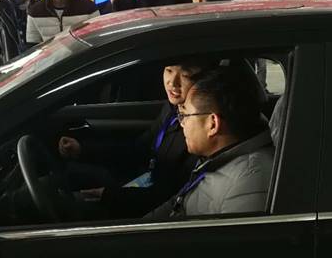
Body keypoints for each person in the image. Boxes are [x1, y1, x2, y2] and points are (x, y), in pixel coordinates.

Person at [59, 58, 216, 217]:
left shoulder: (198, 131)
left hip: (155, 204)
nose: (173, 83)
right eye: (169, 70)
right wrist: (83, 149)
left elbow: (168, 195)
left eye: (186, 75)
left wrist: (108, 196)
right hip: (145, 181)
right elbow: (140, 148)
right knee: (73, 175)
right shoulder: (173, 108)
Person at [148, 67, 274, 220]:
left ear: (212, 124)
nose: (182, 123)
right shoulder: (216, 157)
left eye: (185, 115)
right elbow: (178, 203)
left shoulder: (248, 182)